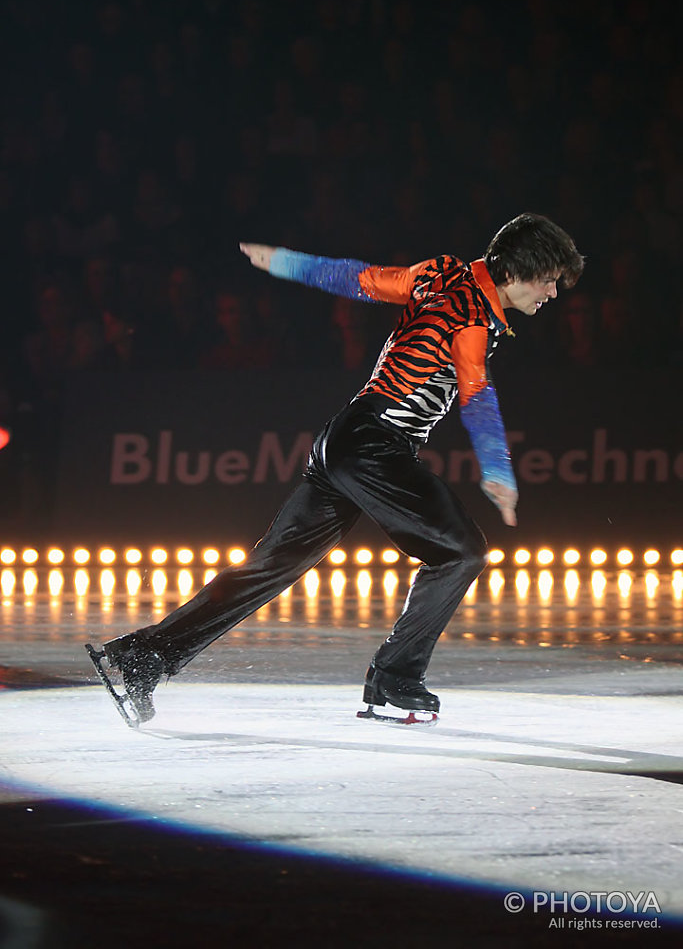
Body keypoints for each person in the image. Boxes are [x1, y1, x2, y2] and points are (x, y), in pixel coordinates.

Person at [87, 212, 584, 726]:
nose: (552, 293)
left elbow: (361, 279)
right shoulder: (473, 319)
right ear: (518, 271)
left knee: (270, 567)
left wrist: (286, 262)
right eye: (549, 280)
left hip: (344, 437)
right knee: (461, 552)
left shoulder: (441, 273)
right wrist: (499, 472)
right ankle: (395, 677)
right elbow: (477, 395)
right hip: (374, 445)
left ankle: (141, 656)